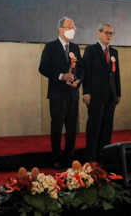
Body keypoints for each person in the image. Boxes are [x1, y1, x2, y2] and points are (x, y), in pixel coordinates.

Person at [38, 17, 82, 169]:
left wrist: (78, 80)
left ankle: (69, 158)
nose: (72, 30)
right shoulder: (51, 47)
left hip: (72, 93)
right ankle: (56, 158)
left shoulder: (75, 48)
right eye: (69, 27)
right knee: (57, 126)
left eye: (74, 27)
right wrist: (61, 76)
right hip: (57, 93)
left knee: (71, 127)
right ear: (60, 29)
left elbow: (80, 69)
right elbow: (43, 68)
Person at [82, 23, 121, 163]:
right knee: (94, 126)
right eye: (106, 32)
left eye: (111, 33)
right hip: (95, 95)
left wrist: (118, 93)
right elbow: (85, 72)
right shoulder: (91, 50)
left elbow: (116, 74)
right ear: (99, 33)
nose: (109, 35)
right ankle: (91, 157)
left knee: (107, 127)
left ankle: (103, 155)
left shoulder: (114, 52)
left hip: (111, 95)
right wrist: (86, 93)